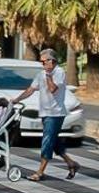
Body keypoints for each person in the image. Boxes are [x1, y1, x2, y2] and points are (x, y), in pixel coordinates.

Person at [11, 48, 79, 181]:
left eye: (44, 62)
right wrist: (17, 99)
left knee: (47, 141)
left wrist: (48, 75)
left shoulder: (59, 72)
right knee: (54, 142)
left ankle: (40, 172)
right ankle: (71, 163)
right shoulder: (41, 74)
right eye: (41, 62)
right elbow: (31, 89)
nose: (42, 65)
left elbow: (53, 89)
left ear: (51, 61)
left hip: (55, 114)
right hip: (45, 113)